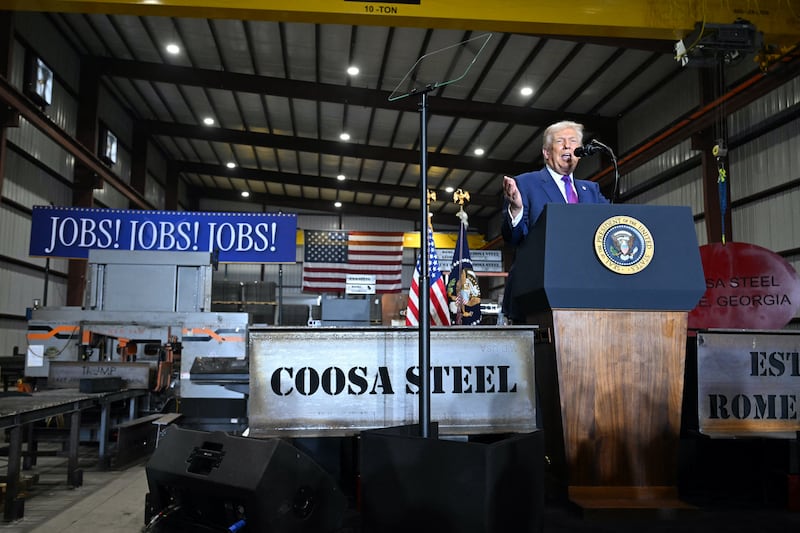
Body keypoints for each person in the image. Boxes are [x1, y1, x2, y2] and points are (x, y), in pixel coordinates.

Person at [501, 120, 610, 324]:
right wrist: (515, 209)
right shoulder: (525, 183)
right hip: (536, 292)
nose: (568, 146)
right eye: (561, 141)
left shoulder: (591, 190)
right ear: (546, 153)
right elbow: (513, 238)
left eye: (573, 141)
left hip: (586, 291)